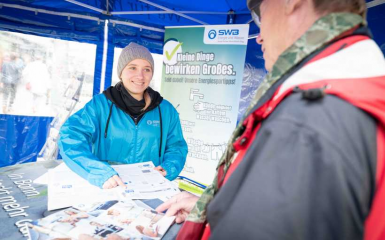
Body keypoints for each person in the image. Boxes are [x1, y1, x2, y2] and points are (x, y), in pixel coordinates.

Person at [155, 0, 385, 239]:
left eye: (258, 15)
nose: (258, 37)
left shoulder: (305, 118)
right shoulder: (349, 91)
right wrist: (214, 210)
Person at [58, 42, 188, 189]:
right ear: (121, 72)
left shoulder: (165, 110)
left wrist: (168, 168)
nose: (140, 76)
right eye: (132, 68)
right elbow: (70, 136)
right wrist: (98, 172)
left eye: (147, 69)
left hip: (149, 188)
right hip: (111, 186)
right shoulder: (101, 105)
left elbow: (176, 147)